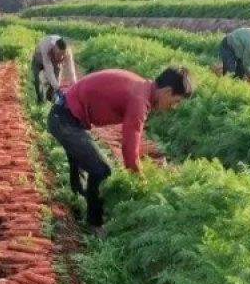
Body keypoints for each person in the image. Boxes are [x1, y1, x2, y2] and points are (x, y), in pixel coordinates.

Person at [47, 67, 194, 232]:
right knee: (101, 170)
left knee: (83, 162)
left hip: (65, 116)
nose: (174, 107)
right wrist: (142, 183)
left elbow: (133, 141)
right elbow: (129, 151)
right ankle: (94, 225)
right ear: (167, 91)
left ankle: (78, 206)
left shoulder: (142, 88)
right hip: (64, 119)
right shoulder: (140, 99)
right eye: (176, 101)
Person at [32, 35, 77, 103]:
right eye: (58, 53)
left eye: (63, 54)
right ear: (54, 48)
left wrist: (74, 85)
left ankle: (51, 98)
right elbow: (49, 71)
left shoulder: (68, 52)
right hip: (39, 55)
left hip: (54, 60)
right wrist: (58, 89)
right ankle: (40, 101)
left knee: (56, 79)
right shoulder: (46, 48)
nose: (61, 56)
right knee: (38, 80)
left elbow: (71, 70)